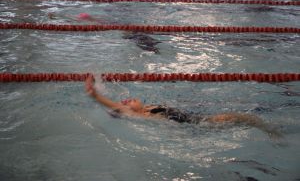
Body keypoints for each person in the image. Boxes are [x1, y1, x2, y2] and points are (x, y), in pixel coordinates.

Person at [85, 75, 281, 138]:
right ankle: (271, 131)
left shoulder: (144, 110)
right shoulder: (140, 115)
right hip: (198, 124)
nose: (128, 100)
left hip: (194, 118)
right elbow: (115, 105)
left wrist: (96, 91)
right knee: (240, 117)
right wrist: (94, 95)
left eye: (129, 100)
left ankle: (269, 128)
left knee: (241, 115)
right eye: (127, 103)